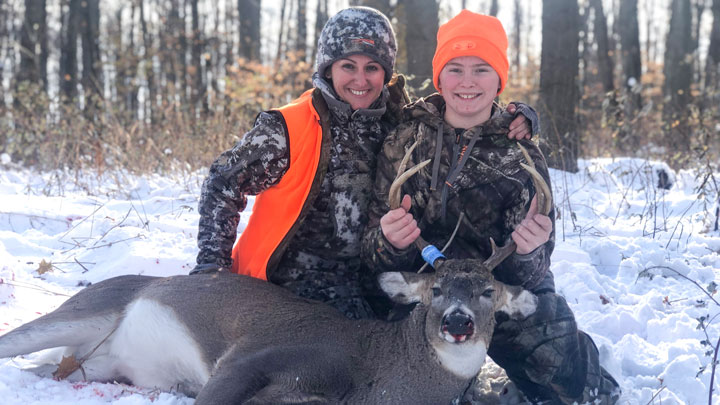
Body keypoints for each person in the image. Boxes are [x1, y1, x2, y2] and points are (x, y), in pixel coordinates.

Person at [191, 7, 534, 321]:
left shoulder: (399, 122)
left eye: (372, 68)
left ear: (385, 73)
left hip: (369, 285)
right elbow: (223, 181)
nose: (360, 80)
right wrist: (211, 267)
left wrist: (516, 119)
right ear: (328, 68)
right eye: (347, 67)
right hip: (284, 287)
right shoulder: (287, 128)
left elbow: (460, 109)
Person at [361, 10, 620, 405]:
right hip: (428, 288)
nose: (467, 82)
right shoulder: (404, 140)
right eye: (455, 68)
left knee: (571, 384)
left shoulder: (522, 154)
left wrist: (530, 250)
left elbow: (532, 275)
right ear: (439, 77)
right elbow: (370, 251)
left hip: (492, 289)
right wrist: (390, 242)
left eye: (482, 69)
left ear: (500, 78)